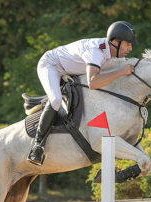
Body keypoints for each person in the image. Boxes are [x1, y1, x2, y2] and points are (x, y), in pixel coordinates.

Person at [28, 21, 138, 165]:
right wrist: (121, 71)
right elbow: (93, 83)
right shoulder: (96, 51)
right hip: (51, 65)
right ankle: (37, 146)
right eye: (128, 44)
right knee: (56, 100)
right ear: (115, 43)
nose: (130, 48)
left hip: (71, 69)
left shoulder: (115, 54)